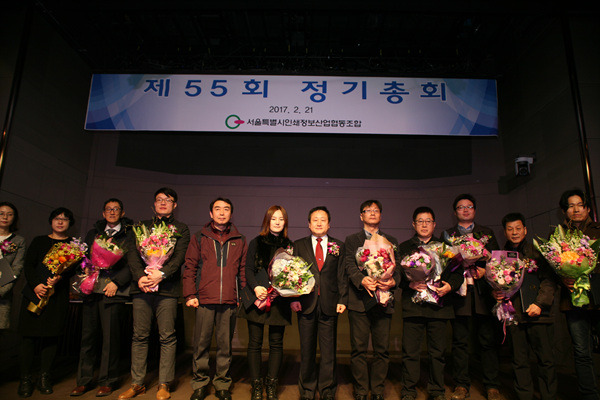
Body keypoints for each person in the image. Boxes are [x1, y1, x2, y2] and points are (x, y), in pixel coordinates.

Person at [118, 188, 190, 400]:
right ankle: (137, 383)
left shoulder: (181, 229)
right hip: (142, 288)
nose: (163, 202)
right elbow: (132, 255)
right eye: (159, 199)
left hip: (167, 290)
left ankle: (164, 383)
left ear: (175, 205)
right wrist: (140, 277)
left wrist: (162, 274)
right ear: (154, 203)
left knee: (167, 337)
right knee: (139, 336)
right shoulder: (140, 227)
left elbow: (179, 257)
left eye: (168, 200)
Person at [182, 197, 247, 400]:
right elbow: (190, 267)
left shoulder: (240, 239)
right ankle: (200, 383)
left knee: (225, 346)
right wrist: (190, 294)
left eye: (226, 209)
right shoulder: (199, 237)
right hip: (204, 299)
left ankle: (222, 384)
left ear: (231, 214)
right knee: (201, 344)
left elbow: (242, 271)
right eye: (217, 209)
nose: (221, 212)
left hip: (229, 300)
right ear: (211, 213)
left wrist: (242, 296)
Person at [398, 207, 463, 400]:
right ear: (413, 224)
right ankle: (408, 390)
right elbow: (397, 275)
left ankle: (436, 390)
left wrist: (450, 286)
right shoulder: (405, 247)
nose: (424, 225)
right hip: (413, 306)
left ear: (434, 224)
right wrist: (409, 283)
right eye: (420, 221)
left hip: (439, 306)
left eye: (428, 221)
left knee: (438, 353)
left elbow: (458, 273)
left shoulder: (446, 247)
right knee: (410, 352)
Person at [71, 198, 134, 397]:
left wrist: (117, 282)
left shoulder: (130, 234)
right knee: (87, 337)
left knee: (110, 339)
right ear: (103, 213)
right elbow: (84, 258)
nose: (112, 212)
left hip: (113, 291)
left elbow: (133, 263)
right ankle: (84, 380)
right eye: (108, 209)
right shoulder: (94, 233)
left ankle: (108, 380)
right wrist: (85, 271)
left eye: (116, 209)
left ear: (122, 213)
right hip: (91, 290)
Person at [444, 193, 502, 400]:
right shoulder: (448, 235)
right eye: (461, 207)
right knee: (459, 341)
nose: (465, 210)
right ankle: (461, 384)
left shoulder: (486, 233)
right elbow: (444, 264)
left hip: (483, 293)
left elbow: (497, 261)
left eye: (469, 206)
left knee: (487, 340)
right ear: (455, 212)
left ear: (474, 210)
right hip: (460, 294)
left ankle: (492, 385)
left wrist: (485, 271)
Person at [494, 213, 557, 400]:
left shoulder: (537, 252)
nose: (514, 232)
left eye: (518, 228)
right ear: (505, 232)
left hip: (538, 313)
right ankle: (524, 395)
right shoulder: (500, 256)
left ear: (525, 230)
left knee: (545, 359)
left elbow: (549, 281)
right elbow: (496, 284)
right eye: (510, 229)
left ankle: (549, 396)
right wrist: (495, 294)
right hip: (514, 314)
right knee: (519, 359)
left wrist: (539, 303)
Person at [17, 207, 78, 397]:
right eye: (57, 218)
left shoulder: (73, 246)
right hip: (34, 293)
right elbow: (28, 265)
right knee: (28, 337)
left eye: (65, 219)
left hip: (57, 296)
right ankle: (25, 378)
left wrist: (60, 278)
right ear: (51, 221)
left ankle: (45, 377)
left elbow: (73, 269)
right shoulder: (39, 241)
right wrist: (36, 285)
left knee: (52, 336)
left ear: (70, 223)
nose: (60, 222)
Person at [345, 200, 400, 400]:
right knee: (358, 350)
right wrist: (362, 280)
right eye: (368, 210)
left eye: (376, 210)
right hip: (359, 300)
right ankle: (360, 390)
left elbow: (398, 268)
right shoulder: (352, 240)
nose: (372, 213)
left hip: (384, 300)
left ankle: (377, 391)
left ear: (381, 215)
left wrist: (393, 281)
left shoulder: (391, 240)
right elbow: (349, 265)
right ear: (361, 216)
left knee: (382, 350)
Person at [291, 206, 347, 400]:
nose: (319, 223)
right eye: (315, 219)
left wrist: (342, 299)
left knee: (329, 351)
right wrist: (294, 299)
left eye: (323, 219)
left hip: (330, 303)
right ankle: (307, 390)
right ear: (309, 224)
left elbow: (342, 275)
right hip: (306, 303)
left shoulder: (338, 245)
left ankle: (327, 390)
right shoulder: (298, 245)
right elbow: (293, 275)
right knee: (306, 349)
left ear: (329, 224)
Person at [238, 205, 293, 400]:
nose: (277, 222)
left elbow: (293, 274)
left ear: (285, 222)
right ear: (267, 221)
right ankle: (256, 386)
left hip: (279, 300)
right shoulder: (256, 242)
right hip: (258, 298)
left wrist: (283, 288)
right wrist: (256, 288)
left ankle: (271, 385)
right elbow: (248, 269)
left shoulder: (289, 245)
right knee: (255, 343)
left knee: (276, 344)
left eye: (281, 219)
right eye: (273, 219)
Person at [557, 189, 600, 400]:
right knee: (582, 351)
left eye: (580, 205)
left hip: (598, 296)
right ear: (564, 211)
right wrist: (563, 278)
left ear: (587, 208)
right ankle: (589, 395)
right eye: (571, 206)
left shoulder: (598, 230)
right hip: (573, 301)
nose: (576, 209)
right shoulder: (559, 236)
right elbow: (552, 266)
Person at [0, 202, 26, 330]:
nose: (5, 217)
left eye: (9, 214)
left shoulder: (18, 241)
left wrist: (2, 290)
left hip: (2, 292)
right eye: (1, 214)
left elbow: (17, 267)